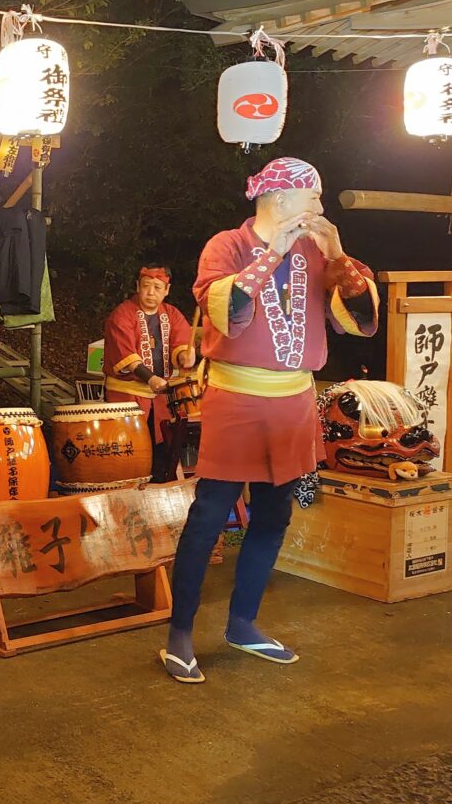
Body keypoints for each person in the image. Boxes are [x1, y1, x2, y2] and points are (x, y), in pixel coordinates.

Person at [159, 157, 378, 684]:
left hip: (296, 400)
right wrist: (273, 251)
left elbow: (363, 318)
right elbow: (223, 310)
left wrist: (339, 255)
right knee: (210, 515)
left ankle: (243, 623)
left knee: (275, 515)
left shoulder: (316, 250)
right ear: (281, 201)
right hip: (237, 398)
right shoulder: (227, 246)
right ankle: (180, 634)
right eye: (315, 197)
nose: (322, 208)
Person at [103, 265, 196, 482]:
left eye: (157, 287)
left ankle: (161, 486)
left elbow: (182, 342)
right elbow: (126, 355)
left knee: (163, 445)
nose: (151, 292)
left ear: (167, 290)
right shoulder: (122, 314)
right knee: (131, 447)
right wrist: (151, 378)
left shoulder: (172, 314)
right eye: (146, 286)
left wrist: (185, 355)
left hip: (161, 395)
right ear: (137, 286)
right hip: (128, 395)